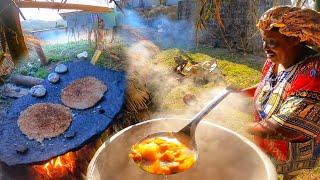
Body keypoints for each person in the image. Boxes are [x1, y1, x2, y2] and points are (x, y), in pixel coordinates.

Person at [241, 6, 320, 180]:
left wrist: (243, 130)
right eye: (264, 40)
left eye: (271, 41)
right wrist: (236, 95)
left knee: (281, 174)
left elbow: (287, 126)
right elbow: (268, 85)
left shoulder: (314, 73)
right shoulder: (275, 60)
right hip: (267, 139)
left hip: (291, 148)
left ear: (294, 40)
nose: (265, 47)